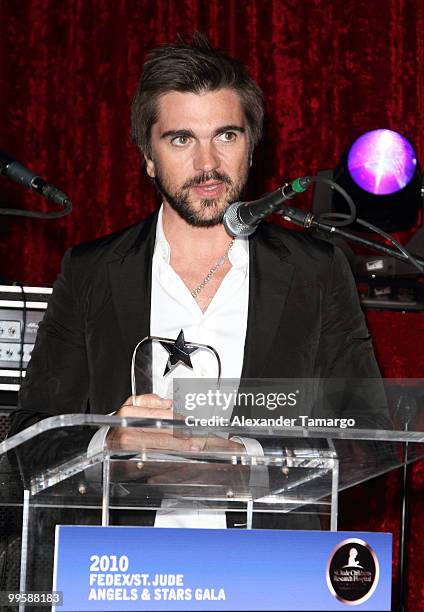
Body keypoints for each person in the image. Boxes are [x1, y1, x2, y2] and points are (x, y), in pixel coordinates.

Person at [8, 34, 389, 528]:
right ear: (148, 156)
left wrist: (246, 463)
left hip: (269, 577)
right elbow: (30, 438)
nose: (207, 163)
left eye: (226, 136)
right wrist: (113, 446)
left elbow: (368, 436)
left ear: (251, 148)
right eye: (181, 138)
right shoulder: (91, 272)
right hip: (122, 575)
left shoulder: (316, 271)